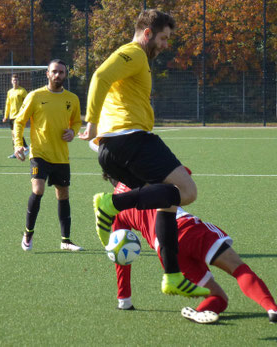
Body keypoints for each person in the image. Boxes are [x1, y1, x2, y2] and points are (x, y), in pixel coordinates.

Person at [79, 9, 208, 297]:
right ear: (147, 33)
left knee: (165, 198)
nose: (165, 45)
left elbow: (110, 90)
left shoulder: (139, 62)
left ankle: (172, 277)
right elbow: (100, 75)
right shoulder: (134, 53)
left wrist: (98, 135)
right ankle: (110, 204)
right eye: (163, 38)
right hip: (133, 141)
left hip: (117, 147)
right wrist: (91, 121)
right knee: (186, 191)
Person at [109, 176, 277, 324]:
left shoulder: (116, 208)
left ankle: (200, 311)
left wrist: (124, 299)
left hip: (167, 252)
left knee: (219, 299)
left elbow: (121, 256)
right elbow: (180, 177)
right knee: (237, 268)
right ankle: (273, 309)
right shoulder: (147, 177)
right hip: (186, 229)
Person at [13, 59, 83, 252]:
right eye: (54, 71)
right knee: (38, 190)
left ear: (65, 75)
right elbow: (19, 121)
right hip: (39, 153)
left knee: (63, 194)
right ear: (47, 74)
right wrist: (18, 144)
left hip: (61, 155)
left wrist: (73, 132)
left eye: (61, 72)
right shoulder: (35, 96)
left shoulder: (72, 99)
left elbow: (76, 122)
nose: (58, 75)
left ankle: (66, 240)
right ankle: (28, 234)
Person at [3, 73, 29, 159]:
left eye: (16, 80)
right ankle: (17, 151)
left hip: (19, 116)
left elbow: (28, 103)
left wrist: (27, 113)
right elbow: (8, 104)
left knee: (16, 133)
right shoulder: (9, 92)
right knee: (13, 135)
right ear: (11, 81)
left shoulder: (22, 91)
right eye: (14, 80)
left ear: (19, 81)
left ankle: (25, 147)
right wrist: (5, 116)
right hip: (11, 116)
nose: (15, 81)